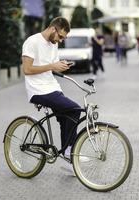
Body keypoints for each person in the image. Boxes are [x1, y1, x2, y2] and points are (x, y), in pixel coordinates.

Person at [22, 17, 81, 158]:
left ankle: (67, 153)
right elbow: (27, 69)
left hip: (52, 87)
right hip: (38, 89)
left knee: (66, 118)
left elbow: (52, 67)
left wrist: (61, 65)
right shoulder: (32, 41)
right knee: (75, 110)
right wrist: (52, 66)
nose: (60, 40)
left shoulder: (54, 44)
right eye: (60, 36)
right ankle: (69, 152)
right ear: (53, 29)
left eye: (63, 38)